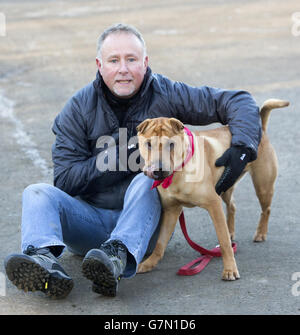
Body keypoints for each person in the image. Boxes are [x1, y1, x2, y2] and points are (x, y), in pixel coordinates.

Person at [4, 23, 261, 299]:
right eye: (114, 60)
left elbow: (237, 100)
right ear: (99, 65)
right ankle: (43, 262)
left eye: (131, 59)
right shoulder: (77, 109)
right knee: (36, 193)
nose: (123, 68)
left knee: (144, 179)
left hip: (142, 229)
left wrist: (244, 145)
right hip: (88, 221)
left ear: (145, 62)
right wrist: (124, 154)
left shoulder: (168, 94)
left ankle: (116, 258)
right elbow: (65, 180)